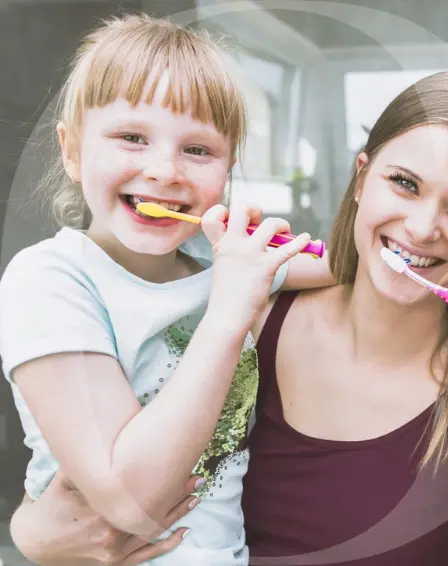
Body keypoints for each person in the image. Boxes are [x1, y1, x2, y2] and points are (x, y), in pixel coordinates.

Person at [10, 70, 448, 566]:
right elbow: (101, 468)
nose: (422, 228)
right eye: (403, 183)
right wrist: (32, 529)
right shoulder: (246, 313)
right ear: (361, 177)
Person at [1, 14, 335, 566]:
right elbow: (131, 505)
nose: (165, 170)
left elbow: (348, 263)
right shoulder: (51, 279)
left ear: (227, 169)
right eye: (132, 138)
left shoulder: (216, 261)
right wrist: (229, 313)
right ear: (72, 150)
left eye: (198, 150)